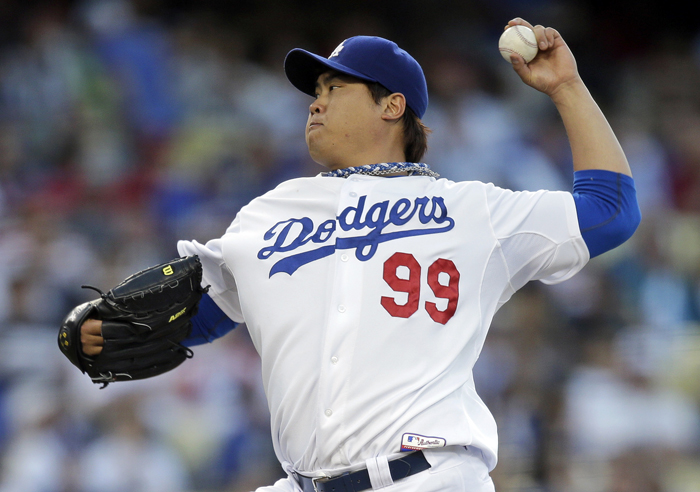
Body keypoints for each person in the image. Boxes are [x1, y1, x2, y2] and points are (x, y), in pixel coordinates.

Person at [80, 18, 641, 492]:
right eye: (315, 91)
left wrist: (567, 86)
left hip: (429, 477)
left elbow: (610, 212)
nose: (315, 103)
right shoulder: (269, 212)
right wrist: (106, 332)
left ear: (392, 105)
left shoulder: (473, 211)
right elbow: (196, 315)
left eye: (334, 88)